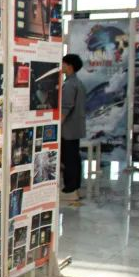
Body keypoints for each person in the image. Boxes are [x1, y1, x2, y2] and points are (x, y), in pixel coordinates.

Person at [60, 53, 86, 204]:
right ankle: (75, 188)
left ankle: (69, 190)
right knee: (74, 158)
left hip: (68, 129)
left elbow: (66, 107)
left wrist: (58, 124)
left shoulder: (70, 85)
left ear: (69, 66)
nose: (61, 66)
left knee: (69, 159)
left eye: (63, 63)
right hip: (76, 128)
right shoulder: (78, 83)